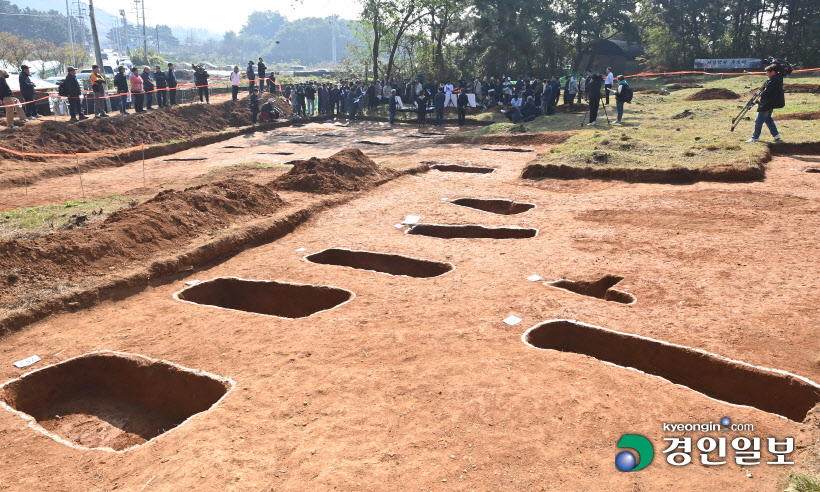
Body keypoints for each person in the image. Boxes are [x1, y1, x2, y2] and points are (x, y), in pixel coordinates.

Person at [747, 63, 785, 143]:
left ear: (773, 72)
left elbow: (767, 92)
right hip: (771, 102)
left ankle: (755, 137)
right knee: (768, 119)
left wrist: (760, 93)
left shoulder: (773, 81)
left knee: (758, 120)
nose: (766, 74)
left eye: (768, 72)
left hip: (767, 103)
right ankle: (776, 135)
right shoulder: (778, 78)